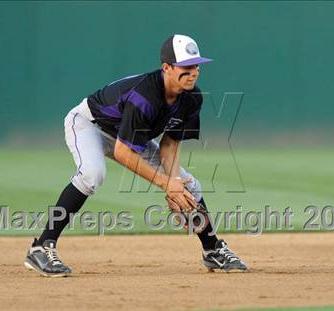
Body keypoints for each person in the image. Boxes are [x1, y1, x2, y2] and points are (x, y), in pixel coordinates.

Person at [24, 34, 248, 277]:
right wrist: (165, 183)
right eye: (186, 67)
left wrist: (173, 185)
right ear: (167, 68)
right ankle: (41, 247)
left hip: (127, 136)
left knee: (189, 185)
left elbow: (170, 143)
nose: (193, 72)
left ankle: (212, 249)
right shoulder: (145, 95)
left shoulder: (191, 98)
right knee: (92, 174)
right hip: (90, 125)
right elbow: (122, 152)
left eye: (196, 66)